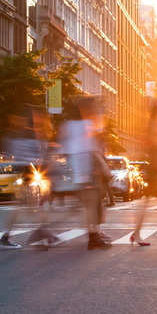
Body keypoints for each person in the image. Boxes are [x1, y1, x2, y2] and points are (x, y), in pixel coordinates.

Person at [58, 97, 111, 249]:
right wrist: (103, 166)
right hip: (85, 167)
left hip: (76, 168)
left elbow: (63, 146)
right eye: (92, 109)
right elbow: (93, 149)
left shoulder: (68, 124)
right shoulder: (87, 125)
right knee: (92, 204)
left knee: (88, 205)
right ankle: (93, 236)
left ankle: (94, 235)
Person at [0, 105, 52, 249]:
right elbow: (33, 158)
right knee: (31, 206)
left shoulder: (20, 134)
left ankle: (39, 232)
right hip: (28, 174)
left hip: (28, 174)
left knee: (27, 206)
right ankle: (40, 232)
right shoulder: (29, 135)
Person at [131, 98, 157, 247]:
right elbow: (153, 143)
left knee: (148, 202)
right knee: (148, 202)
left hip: (155, 167)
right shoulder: (153, 124)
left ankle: (137, 232)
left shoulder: (153, 123)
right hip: (154, 168)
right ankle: (136, 233)